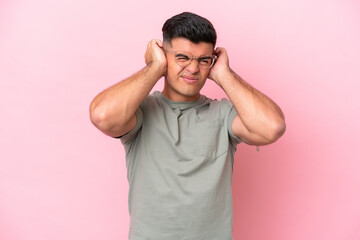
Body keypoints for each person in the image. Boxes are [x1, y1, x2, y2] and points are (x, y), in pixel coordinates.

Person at [89, 12, 285, 240]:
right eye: (182, 57)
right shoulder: (142, 111)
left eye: (204, 60)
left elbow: (272, 127)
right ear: (165, 55)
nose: (193, 69)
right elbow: (102, 115)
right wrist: (155, 66)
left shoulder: (222, 114)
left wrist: (224, 74)